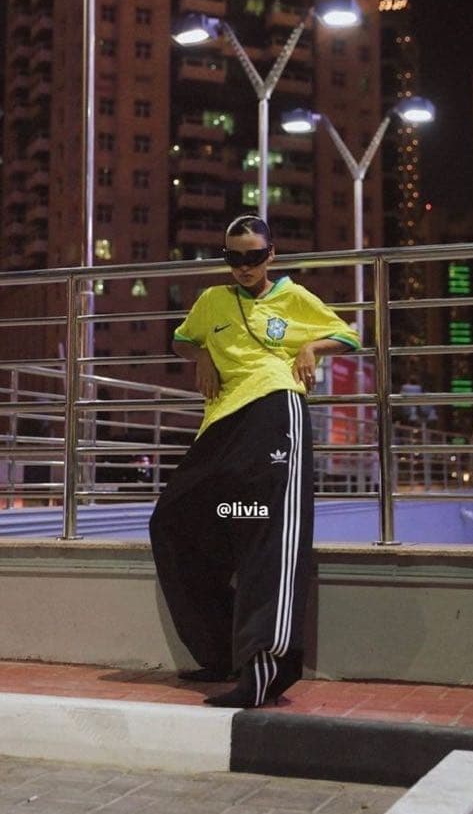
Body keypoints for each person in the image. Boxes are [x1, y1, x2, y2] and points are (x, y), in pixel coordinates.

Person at [149, 214, 360, 708]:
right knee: (174, 523)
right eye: (234, 257)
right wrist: (202, 353)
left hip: (275, 409)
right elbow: (181, 338)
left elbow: (350, 336)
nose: (244, 266)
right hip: (221, 421)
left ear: (271, 255)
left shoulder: (294, 297)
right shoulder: (212, 300)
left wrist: (310, 346)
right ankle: (223, 651)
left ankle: (264, 669)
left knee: (269, 533)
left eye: (254, 256)